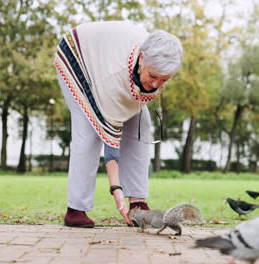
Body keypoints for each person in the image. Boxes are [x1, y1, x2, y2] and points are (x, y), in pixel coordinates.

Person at [54, 21, 183, 228]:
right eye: (153, 76)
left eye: (164, 80)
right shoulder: (114, 77)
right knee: (88, 132)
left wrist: (131, 199)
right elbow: (111, 141)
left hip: (110, 58)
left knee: (142, 125)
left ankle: (138, 203)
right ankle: (75, 209)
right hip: (78, 56)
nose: (156, 84)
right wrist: (116, 191)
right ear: (142, 59)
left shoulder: (153, 61)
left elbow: (139, 97)